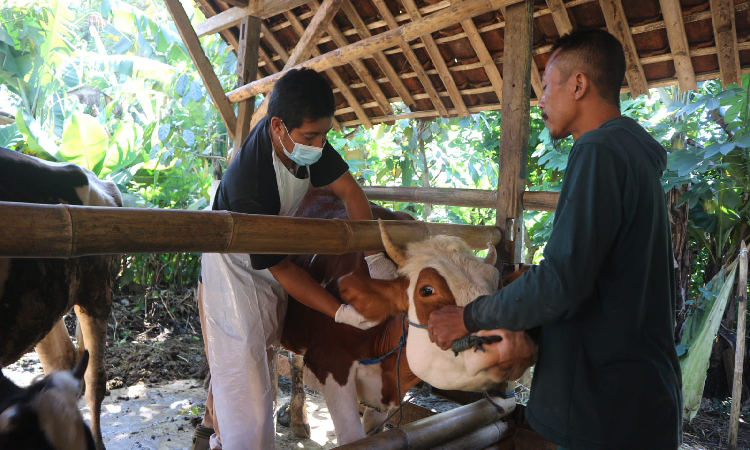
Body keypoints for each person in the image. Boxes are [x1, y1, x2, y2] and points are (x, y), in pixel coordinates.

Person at [428, 29, 682, 449]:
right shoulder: (634, 155)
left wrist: (470, 316)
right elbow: (600, 283)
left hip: (601, 413)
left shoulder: (597, 150)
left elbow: (563, 281)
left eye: (546, 86)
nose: (541, 100)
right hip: (641, 401)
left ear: (578, 84)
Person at [200, 68, 395, 449]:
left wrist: (374, 258)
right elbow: (284, 269)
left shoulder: (305, 144)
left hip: (272, 251)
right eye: (311, 136)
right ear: (278, 127)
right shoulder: (249, 182)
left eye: (324, 135)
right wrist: (339, 312)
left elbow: (351, 194)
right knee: (244, 382)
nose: (320, 145)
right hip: (233, 267)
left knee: (265, 367)